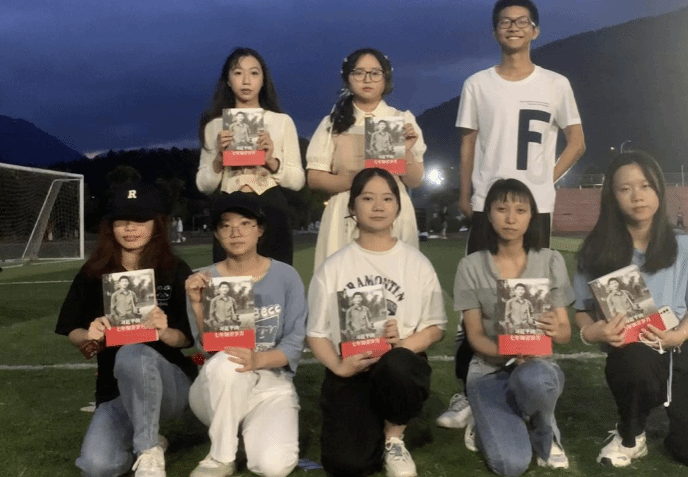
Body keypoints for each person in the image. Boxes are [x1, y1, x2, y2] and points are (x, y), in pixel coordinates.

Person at [441, 0, 586, 431]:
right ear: (495, 31)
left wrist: (545, 179)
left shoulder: (556, 84)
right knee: (479, 298)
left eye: (522, 21)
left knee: (532, 296)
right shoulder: (478, 83)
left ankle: (529, 384)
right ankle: (469, 389)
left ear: (535, 30)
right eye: (505, 21)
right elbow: (468, 143)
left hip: (534, 208)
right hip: (488, 203)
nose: (514, 27)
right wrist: (466, 193)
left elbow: (577, 141)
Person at [574, 151, 688, 469]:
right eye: (625, 188)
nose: (637, 196)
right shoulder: (595, 250)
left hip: (683, 348)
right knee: (634, 363)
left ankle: (672, 413)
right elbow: (582, 309)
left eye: (645, 185)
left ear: (658, 189)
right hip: (633, 350)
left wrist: (678, 335)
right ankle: (631, 432)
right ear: (612, 196)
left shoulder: (686, 246)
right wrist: (592, 332)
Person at [307, 168, 447, 477]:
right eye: (368, 198)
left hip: (398, 367)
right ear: (352, 207)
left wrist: (402, 345)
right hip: (352, 366)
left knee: (397, 365)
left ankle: (394, 436)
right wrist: (339, 366)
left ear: (398, 206)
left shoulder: (417, 263)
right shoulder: (333, 267)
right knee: (347, 464)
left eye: (387, 199)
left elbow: (435, 327)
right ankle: (371, 428)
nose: (378, 206)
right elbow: (315, 333)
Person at [55, 183, 196, 477]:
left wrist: (163, 331)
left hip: (170, 385)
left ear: (156, 225)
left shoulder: (174, 269)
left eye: (140, 220)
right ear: (110, 226)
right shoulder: (93, 272)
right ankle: (151, 438)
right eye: (121, 221)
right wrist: (88, 335)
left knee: (133, 353)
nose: (130, 228)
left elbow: (186, 339)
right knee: (97, 467)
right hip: (116, 388)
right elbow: (71, 330)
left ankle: (148, 449)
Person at [453, 178, 573, 474]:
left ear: (531, 216)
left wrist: (553, 328)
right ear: (488, 214)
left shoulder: (550, 260)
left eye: (520, 210)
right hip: (489, 369)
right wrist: (509, 350)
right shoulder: (470, 266)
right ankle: (484, 418)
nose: (510, 218)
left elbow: (565, 334)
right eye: (501, 209)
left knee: (534, 379)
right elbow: (475, 336)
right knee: (510, 464)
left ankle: (543, 429)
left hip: (536, 366)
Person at [185, 192, 306, 477]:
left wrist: (258, 360)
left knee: (273, 467)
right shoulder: (204, 279)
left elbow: (294, 343)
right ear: (217, 234)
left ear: (259, 230)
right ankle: (221, 456)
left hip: (270, 383)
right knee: (230, 361)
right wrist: (197, 305)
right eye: (225, 225)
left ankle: (242, 430)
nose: (235, 232)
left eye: (245, 223)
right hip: (220, 384)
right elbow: (208, 349)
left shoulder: (286, 276)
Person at [306, 48, 426, 269]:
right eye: (359, 73)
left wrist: (405, 150)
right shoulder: (332, 122)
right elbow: (314, 178)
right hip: (345, 212)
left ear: (386, 78)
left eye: (375, 73)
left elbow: (415, 180)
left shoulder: (401, 119)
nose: (367, 79)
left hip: (392, 210)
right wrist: (357, 182)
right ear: (347, 78)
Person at [197, 47, 305, 266]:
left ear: (263, 80)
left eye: (254, 73)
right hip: (229, 210)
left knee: (275, 280)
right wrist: (219, 160)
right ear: (227, 80)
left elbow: (297, 181)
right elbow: (203, 185)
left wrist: (271, 161)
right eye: (238, 73)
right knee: (231, 282)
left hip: (271, 207)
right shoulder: (215, 126)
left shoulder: (281, 122)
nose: (246, 81)